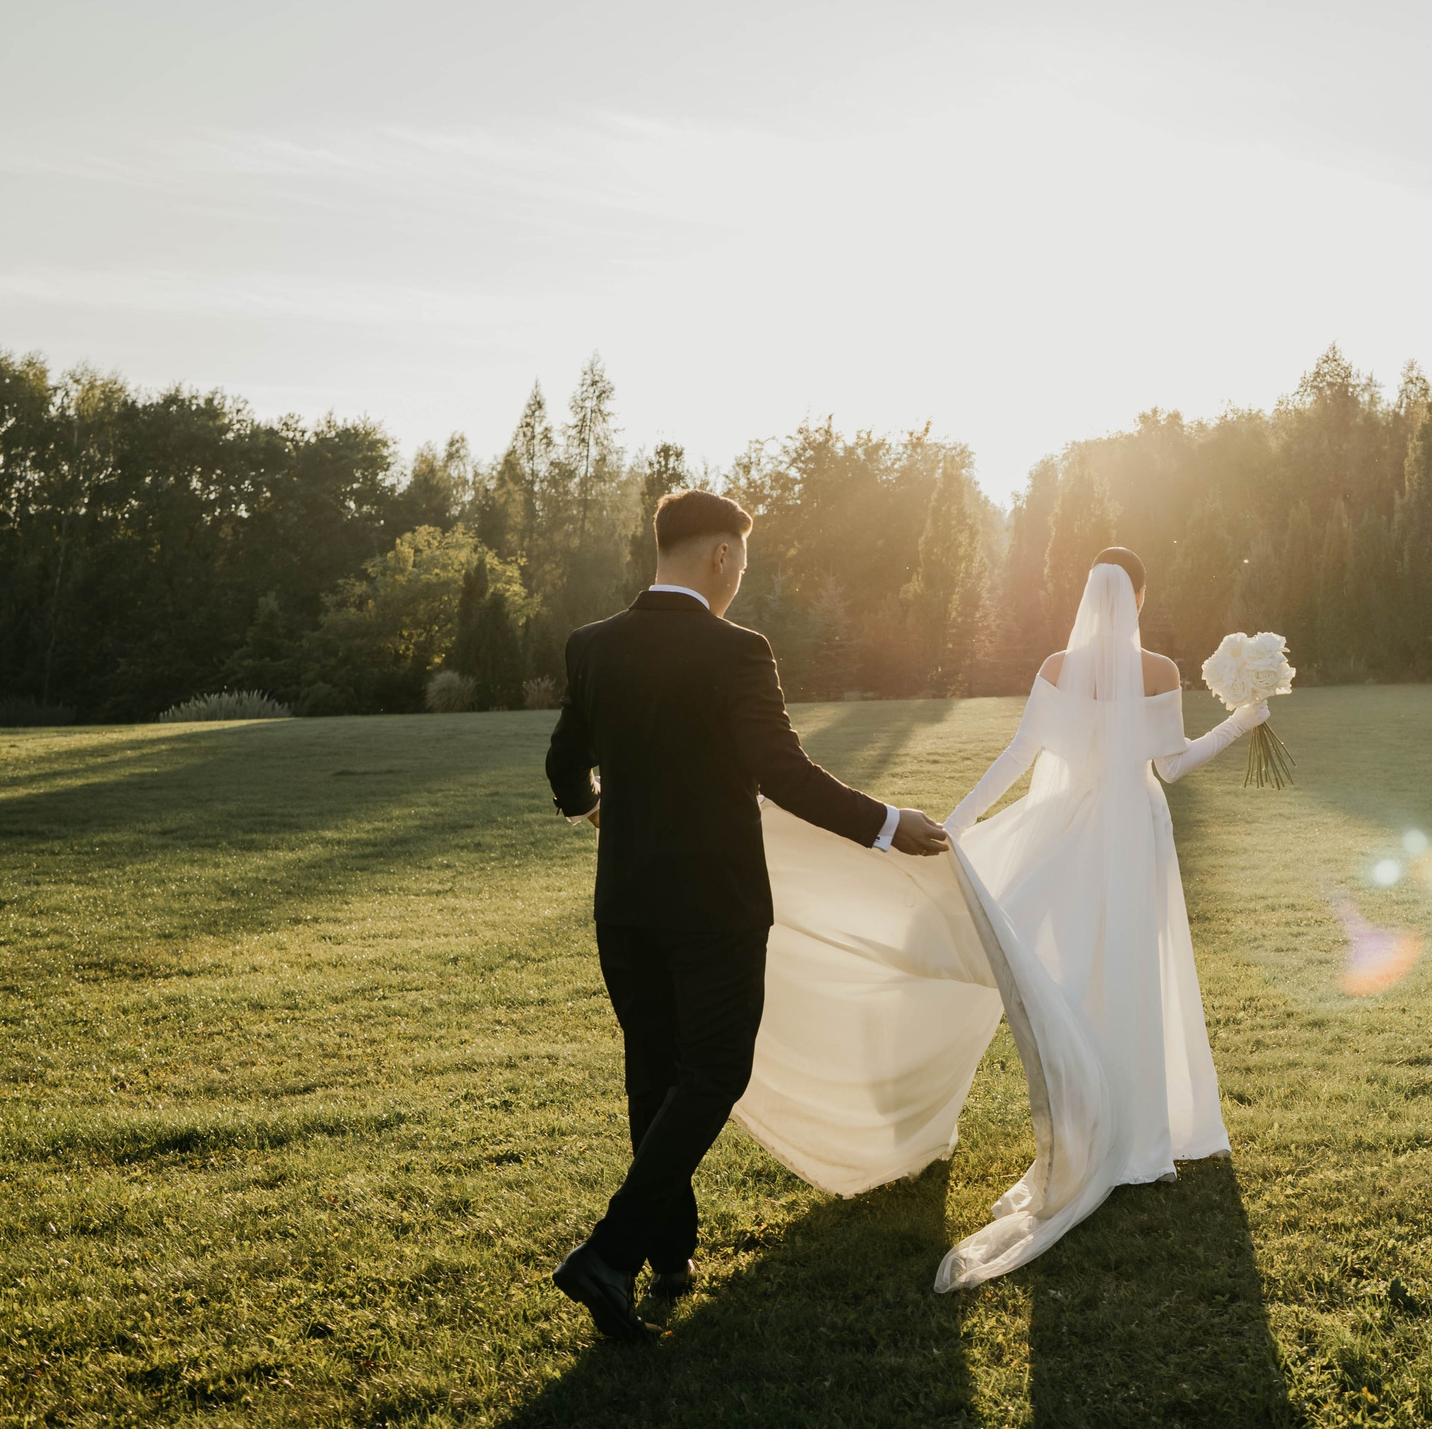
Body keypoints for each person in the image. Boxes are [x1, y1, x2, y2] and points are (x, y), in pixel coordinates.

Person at [731, 546, 1271, 1289]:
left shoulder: (1056, 666)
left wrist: (954, 824)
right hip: (1136, 831)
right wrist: (1243, 722)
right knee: (1135, 971)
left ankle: (1092, 1125)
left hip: (1073, 831)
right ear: (1138, 597)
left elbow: (1020, 753)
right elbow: (1171, 768)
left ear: (1089, 596)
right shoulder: (1161, 671)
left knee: (1073, 976)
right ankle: (1144, 1135)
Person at [542, 487, 949, 1341]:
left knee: (653, 1072)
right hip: (715, 905)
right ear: (722, 556)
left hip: (623, 905)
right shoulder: (738, 651)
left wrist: (594, 813)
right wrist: (888, 824)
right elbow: (783, 770)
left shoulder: (592, 646)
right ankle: (610, 1253)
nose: (740, 580)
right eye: (745, 563)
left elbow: (564, 763)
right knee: (715, 1071)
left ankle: (668, 1251)